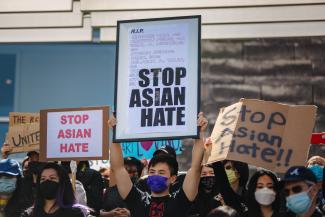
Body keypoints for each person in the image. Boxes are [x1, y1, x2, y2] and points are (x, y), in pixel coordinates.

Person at [108, 112, 208, 217]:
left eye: (161, 172)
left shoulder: (180, 200)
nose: (155, 175)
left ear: (173, 178)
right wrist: (115, 132)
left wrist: (200, 133)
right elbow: (118, 168)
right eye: (152, 172)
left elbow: (196, 168)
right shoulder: (136, 199)